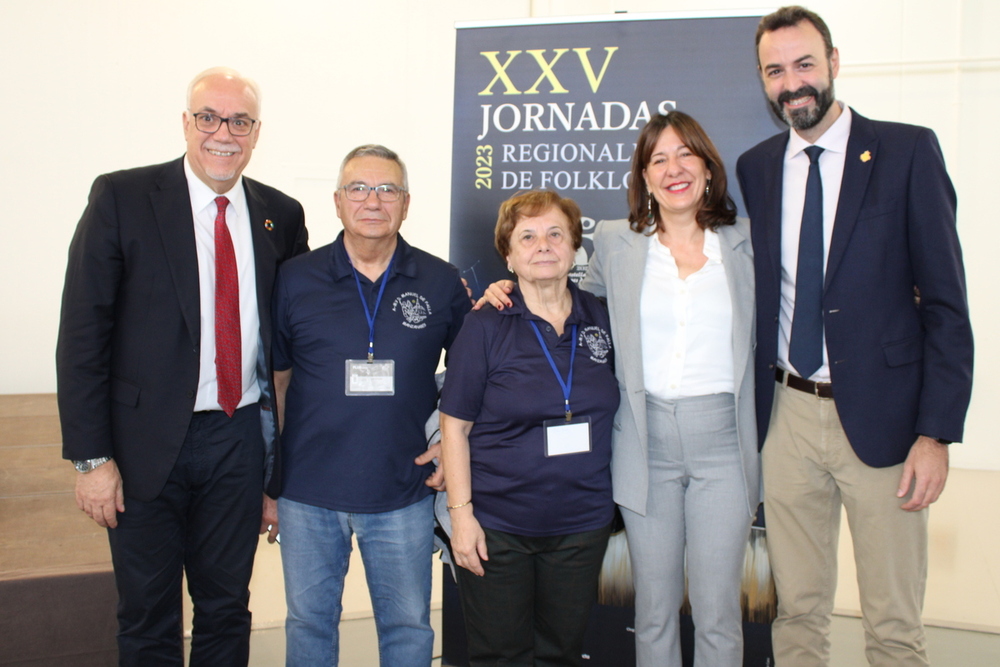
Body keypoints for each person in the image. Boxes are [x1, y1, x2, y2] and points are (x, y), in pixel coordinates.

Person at [736, 7, 974, 666]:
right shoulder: (756, 167)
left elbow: (948, 307)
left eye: (805, 64)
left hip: (887, 423)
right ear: (763, 81)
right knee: (797, 612)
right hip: (785, 417)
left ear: (834, 62)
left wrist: (937, 432)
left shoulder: (906, 151)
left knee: (893, 622)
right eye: (776, 70)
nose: (793, 83)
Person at [482, 112, 760, 666]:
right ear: (643, 177)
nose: (673, 168)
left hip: (725, 447)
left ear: (707, 166)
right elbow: (561, 299)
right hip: (644, 445)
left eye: (686, 154)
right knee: (654, 611)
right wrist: (507, 286)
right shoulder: (615, 243)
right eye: (658, 159)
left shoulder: (748, 243)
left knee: (719, 612)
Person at [56, 67, 308, 666]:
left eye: (239, 121)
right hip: (143, 446)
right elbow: (82, 336)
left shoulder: (282, 214)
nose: (224, 133)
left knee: (226, 608)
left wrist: (280, 472)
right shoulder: (121, 198)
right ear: (187, 123)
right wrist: (92, 460)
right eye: (209, 118)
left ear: (256, 132)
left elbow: (299, 340)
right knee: (147, 614)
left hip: (237, 439)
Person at [270, 144, 470, 667]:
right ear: (338, 202)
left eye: (388, 189)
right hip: (307, 493)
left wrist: (454, 451)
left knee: (407, 630)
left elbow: (474, 379)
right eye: (359, 188)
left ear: (406, 204)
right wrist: (270, 480)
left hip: (403, 491)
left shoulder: (441, 281)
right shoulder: (294, 279)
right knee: (309, 626)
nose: (373, 201)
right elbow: (278, 381)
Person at [440, 189, 619, 667]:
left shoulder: (603, 316)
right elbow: (453, 427)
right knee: (500, 656)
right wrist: (462, 517)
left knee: (559, 654)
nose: (544, 245)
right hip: (499, 528)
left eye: (556, 233)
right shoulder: (485, 325)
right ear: (508, 254)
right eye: (528, 236)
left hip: (581, 527)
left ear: (575, 246)